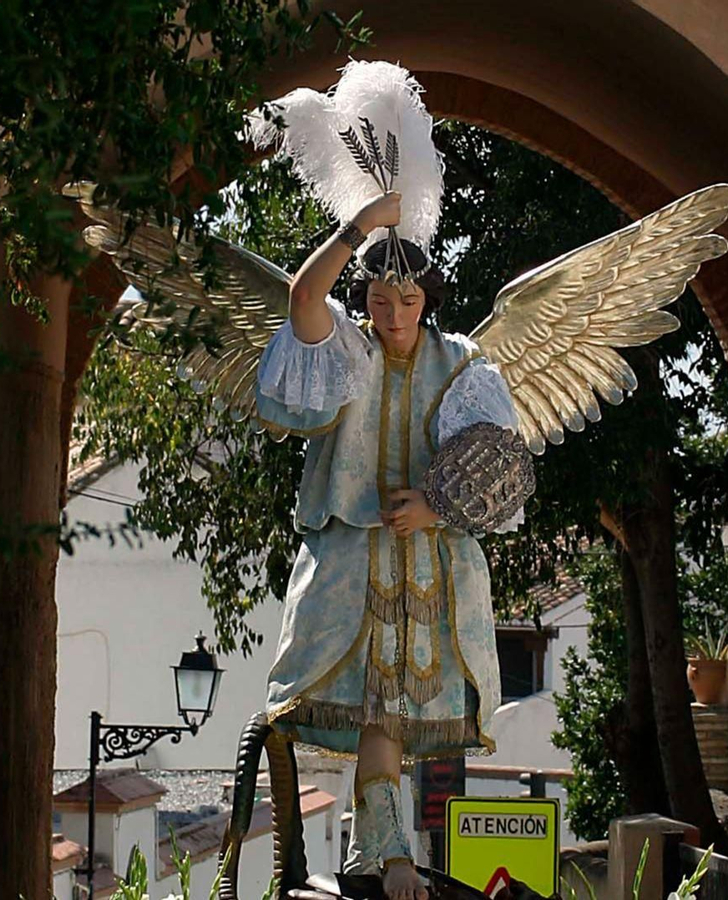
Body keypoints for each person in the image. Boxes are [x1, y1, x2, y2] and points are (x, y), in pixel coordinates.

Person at [255, 187, 525, 900]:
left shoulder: (465, 364)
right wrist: (359, 226)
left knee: (393, 717)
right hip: (348, 569)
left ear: (427, 300)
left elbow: (500, 467)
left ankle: (377, 852)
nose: (394, 316)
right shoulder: (344, 350)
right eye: (379, 300)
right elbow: (303, 296)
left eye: (406, 302)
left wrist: (434, 509)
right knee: (347, 711)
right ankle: (374, 853)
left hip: (433, 569)